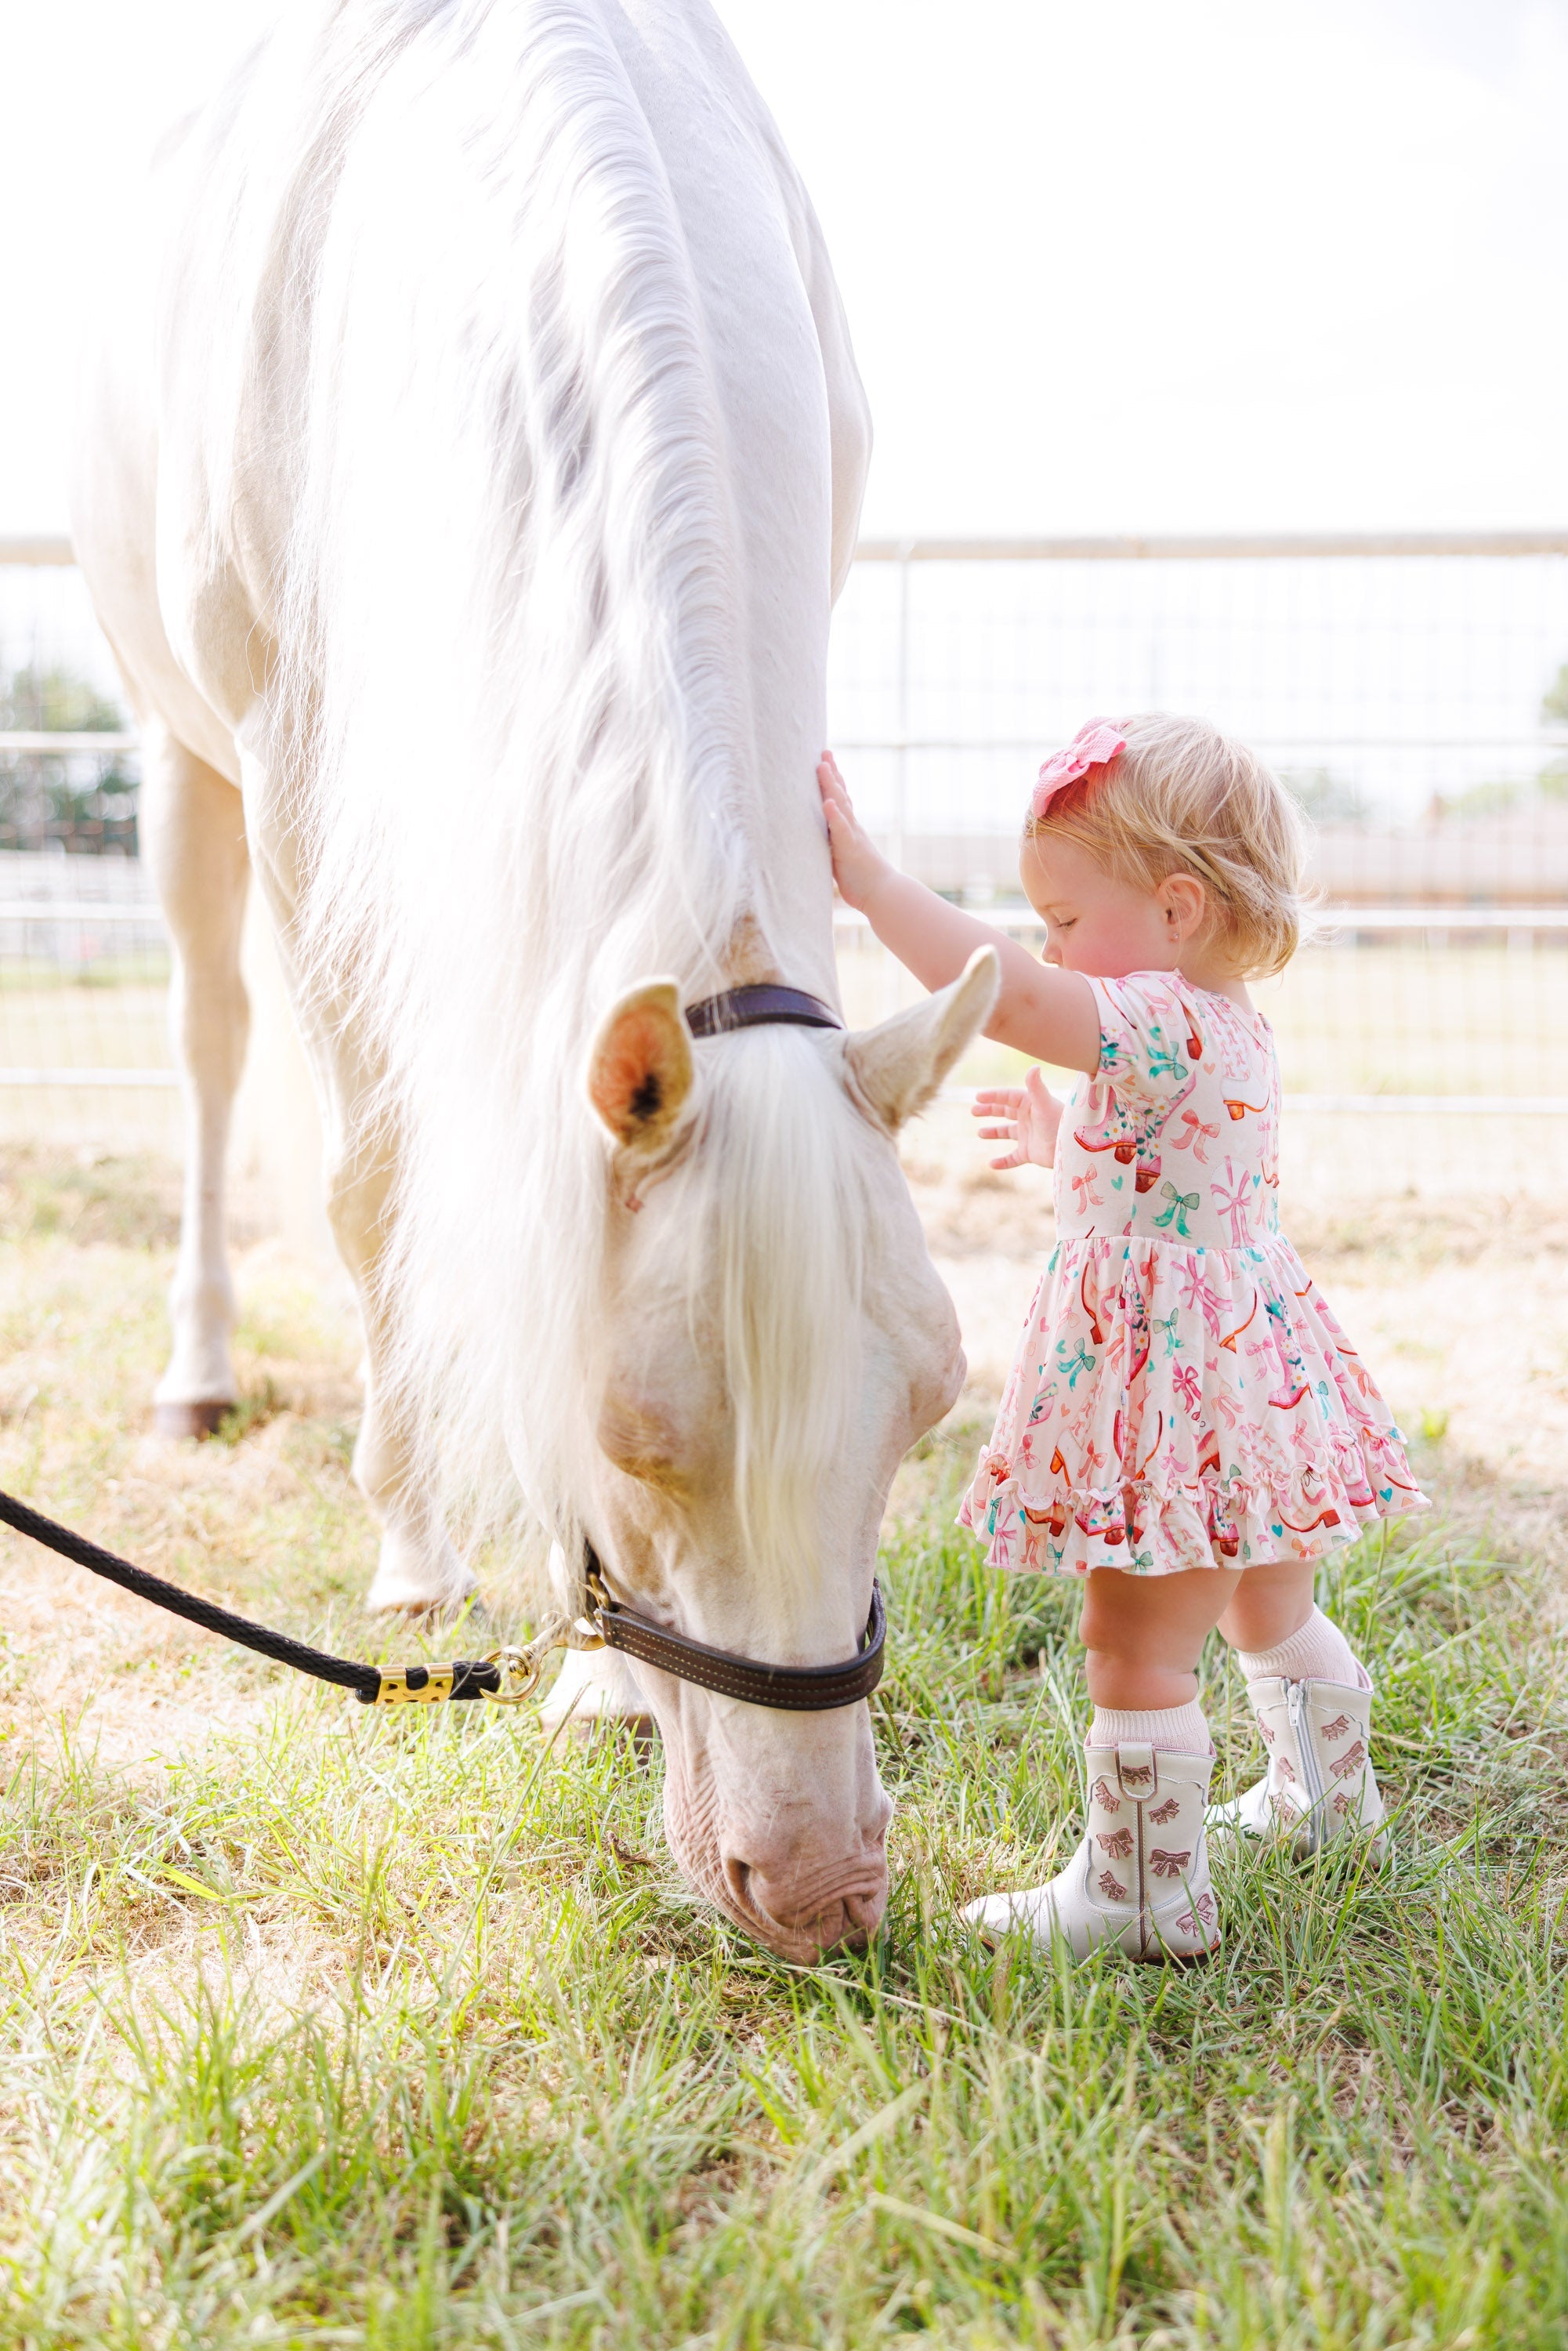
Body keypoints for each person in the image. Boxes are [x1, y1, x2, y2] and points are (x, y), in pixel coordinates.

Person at [818, 715, 1425, 1962]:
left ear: (1176, 907)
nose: (1046, 946)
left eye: (1061, 917)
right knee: (1267, 1598)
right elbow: (1181, 1164)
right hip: (1246, 1379)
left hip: (1173, 1391)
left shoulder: (1153, 1010)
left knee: (1132, 1643)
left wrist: (873, 886)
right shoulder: (1225, 1020)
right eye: (1040, 922)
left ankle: (1144, 1897)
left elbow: (1011, 994)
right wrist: (1070, 1137)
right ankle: (1330, 1805)